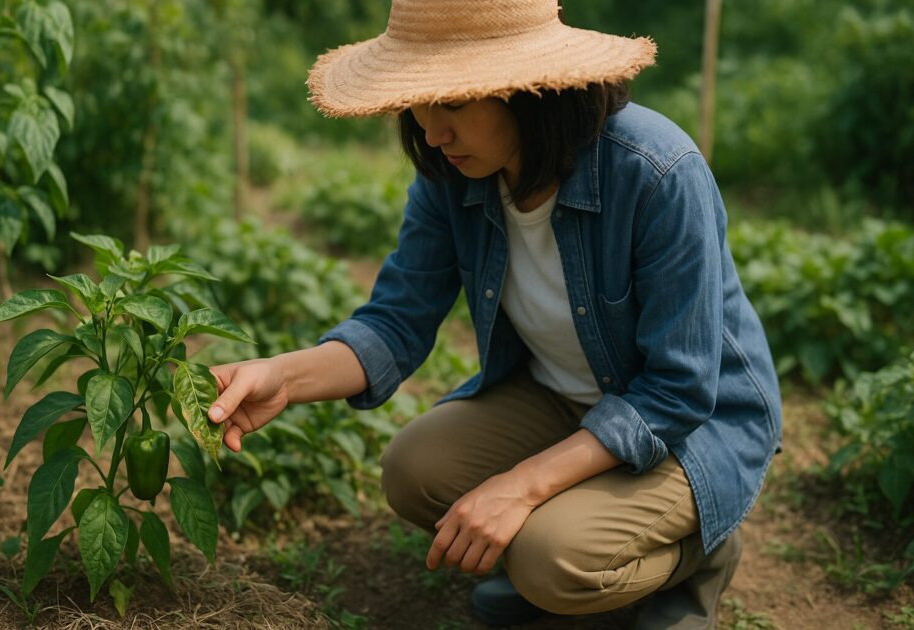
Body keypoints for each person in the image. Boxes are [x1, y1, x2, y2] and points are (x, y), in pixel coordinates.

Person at [207, 0, 783, 627]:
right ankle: (581, 549)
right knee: (414, 470)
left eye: (452, 103)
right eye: (419, 103)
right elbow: (395, 321)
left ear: (526, 91)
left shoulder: (654, 171)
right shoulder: (452, 177)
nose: (431, 132)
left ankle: (699, 555)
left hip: (692, 427)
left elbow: (678, 389)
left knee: (549, 559)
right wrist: (281, 378)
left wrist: (523, 487)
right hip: (563, 402)